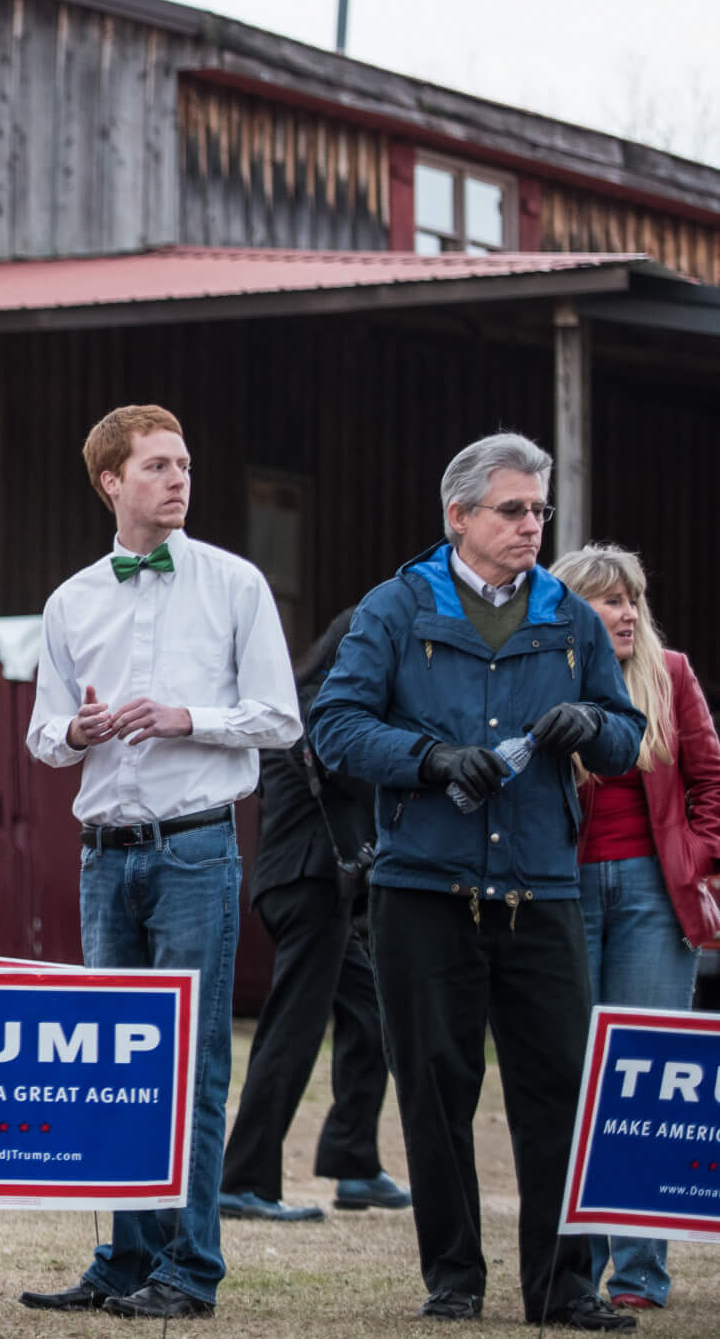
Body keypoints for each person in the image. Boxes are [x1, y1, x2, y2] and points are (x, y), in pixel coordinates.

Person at [314, 432, 643, 1331]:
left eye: (539, 510)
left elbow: (625, 733)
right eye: (512, 509)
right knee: (435, 1087)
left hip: (542, 889)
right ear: (458, 516)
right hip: (424, 890)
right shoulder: (393, 606)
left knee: (562, 1093)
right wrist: (429, 760)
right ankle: (455, 1278)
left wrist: (592, 723)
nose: (531, 525)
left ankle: (566, 1287)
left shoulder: (569, 615)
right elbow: (335, 727)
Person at [20, 405, 299, 1321]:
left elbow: (282, 719)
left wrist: (191, 717)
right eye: (156, 467)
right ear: (110, 482)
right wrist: (77, 728)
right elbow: (41, 739)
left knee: (192, 1067)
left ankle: (191, 1267)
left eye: (183, 464)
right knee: (114, 1064)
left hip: (194, 850)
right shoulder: (72, 600)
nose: (178, 479)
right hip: (105, 857)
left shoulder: (235, 584)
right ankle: (127, 1257)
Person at [550, 542, 720, 1314]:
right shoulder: (539, 672)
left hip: (657, 890)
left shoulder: (671, 671)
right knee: (572, 1073)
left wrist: (698, 859)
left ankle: (641, 1274)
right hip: (564, 888)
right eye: (606, 600)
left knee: (649, 1073)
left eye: (632, 600)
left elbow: (710, 777)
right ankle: (571, 1268)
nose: (624, 613)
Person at [220, 606, 410, 1223]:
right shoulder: (322, 709)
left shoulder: (300, 700)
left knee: (372, 1008)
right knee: (291, 1029)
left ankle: (353, 1161)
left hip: (303, 881)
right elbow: (356, 781)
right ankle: (243, 1179)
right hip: (311, 882)